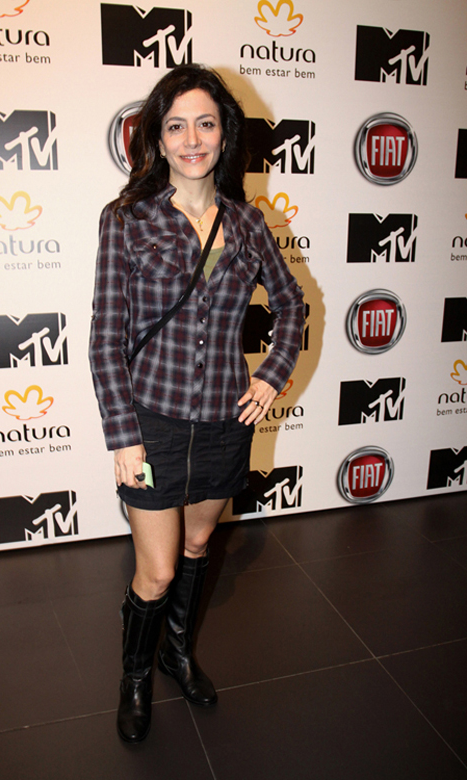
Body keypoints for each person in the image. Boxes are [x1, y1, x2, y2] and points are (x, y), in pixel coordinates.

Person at [89, 63, 305, 744]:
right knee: (155, 571)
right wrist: (123, 435)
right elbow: (105, 336)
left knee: (200, 542)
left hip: (222, 423)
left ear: (224, 134)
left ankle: (176, 655)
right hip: (150, 423)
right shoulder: (127, 219)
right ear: (157, 137)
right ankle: (134, 676)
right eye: (176, 125)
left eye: (205, 124)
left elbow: (293, 304)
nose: (191, 139)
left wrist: (271, 373)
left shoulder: (247, 223)